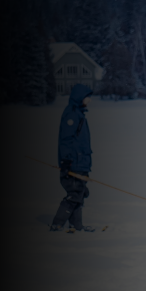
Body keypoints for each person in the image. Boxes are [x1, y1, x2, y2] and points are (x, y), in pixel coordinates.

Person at [51, 84, 96, 233]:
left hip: (81, 163)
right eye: (87, 97)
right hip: (73, 163)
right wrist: (66, 161)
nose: (89, 100)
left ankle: (76, 226)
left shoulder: (79, 114)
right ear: (79, 97)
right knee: (74, 194)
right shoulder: (72, 114)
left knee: (80, 194)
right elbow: (66, 140)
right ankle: (57, 225)